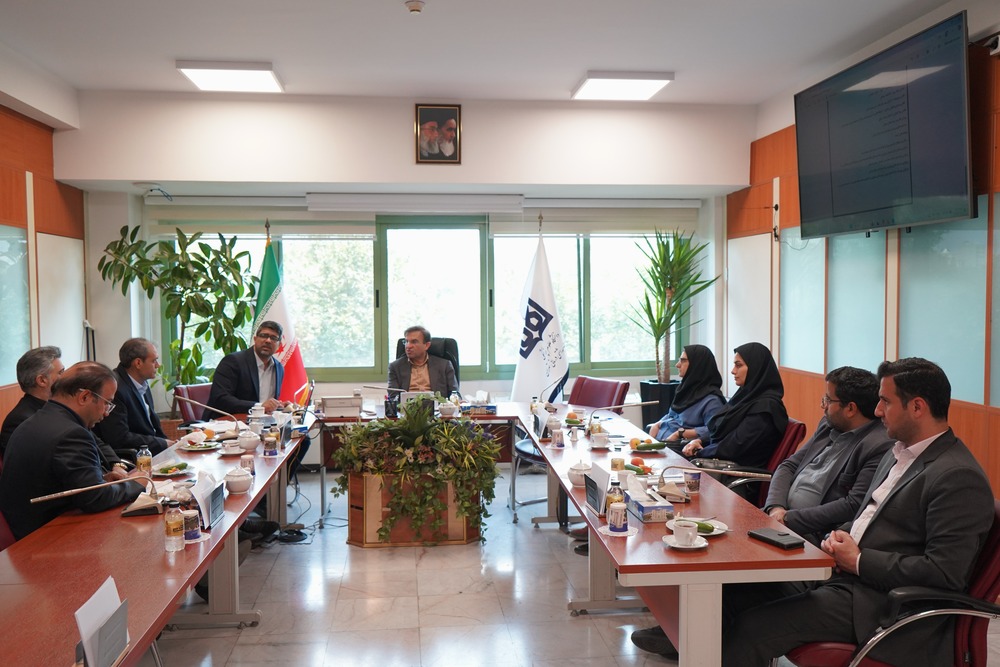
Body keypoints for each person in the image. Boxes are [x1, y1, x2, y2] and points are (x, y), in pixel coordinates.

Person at [720, 357, 994, 666]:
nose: (877, 411)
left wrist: (859, 560)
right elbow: (871, 518)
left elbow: (945, 573)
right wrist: (841, 537)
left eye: (885, 401)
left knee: (752, 627)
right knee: (734, 594)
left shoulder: (957, 476)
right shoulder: (899, 453)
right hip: (843, 579)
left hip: (883, 606)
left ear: (917, 407)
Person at [0, 362, 145, 540]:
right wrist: (137, 483)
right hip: (46, 539)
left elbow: (63, 483)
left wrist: (101, 481)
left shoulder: (36, 421)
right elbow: (95, 499)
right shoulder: (71, 433)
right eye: (107, 403)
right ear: (84, 397)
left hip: (32, 529)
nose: (107, 413)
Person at [763, 366, 893, 546]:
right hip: (780, 517)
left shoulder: (878, 445)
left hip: (811, 533)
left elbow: (853, 504)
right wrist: (776, 507)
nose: (822, 405)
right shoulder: (828, 425)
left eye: (828, 400)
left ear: (850, 409)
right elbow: (789, 465)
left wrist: (788, 519)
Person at [205, 321, 310, 478]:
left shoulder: (278, 368)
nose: (268, 340)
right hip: (231, 426)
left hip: (262, 427)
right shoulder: (233, 362)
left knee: (303, 440)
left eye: (273, 338)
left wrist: (280, 406)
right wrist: (259, 406)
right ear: (255, 339)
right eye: (263, 336)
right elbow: (221, 399)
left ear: (279, 344)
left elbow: (269, 402)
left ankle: (276, 487)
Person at [681, 341, 787, 469]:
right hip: (720, 465)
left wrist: (699, 452)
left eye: (739, 365)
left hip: (734, 473)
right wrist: (700, 441)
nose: (733, 371)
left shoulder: (765, 408)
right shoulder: (745, 398)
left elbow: (734, 446)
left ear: (755, 368)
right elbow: (722, 430)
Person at [93, 338, 174, 455]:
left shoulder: (143, 383)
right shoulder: (115, 388)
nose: (158, 365)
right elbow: (119, 438)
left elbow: (154, 427)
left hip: (151, 451)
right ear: (138, 363)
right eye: (154, 361)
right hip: (132, 457)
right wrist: (163, 444)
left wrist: (171, 445)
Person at [647, 344, 725, 444]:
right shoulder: (685, 391)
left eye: (683, 360)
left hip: (679, 448)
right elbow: (672, 416)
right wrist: (658, 424)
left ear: (697, 365)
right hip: (659, 443)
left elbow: (714, 430)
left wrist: (680, 433)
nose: (677, 365)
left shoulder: (712, 400)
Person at [0, 345, 65, 459]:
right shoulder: (20, 420)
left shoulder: (59, 405)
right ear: (42, 380)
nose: (65, 377)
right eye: (61, 372)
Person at [387, 325, 459, 397]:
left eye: (414, 342)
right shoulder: (395, 367)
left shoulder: (444, 365)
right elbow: (393, 397)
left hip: (436, 403)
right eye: (406, 341)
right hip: (407, 404)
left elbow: (454, 394)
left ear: (427, 345)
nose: (408, 346)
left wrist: (458, 400)